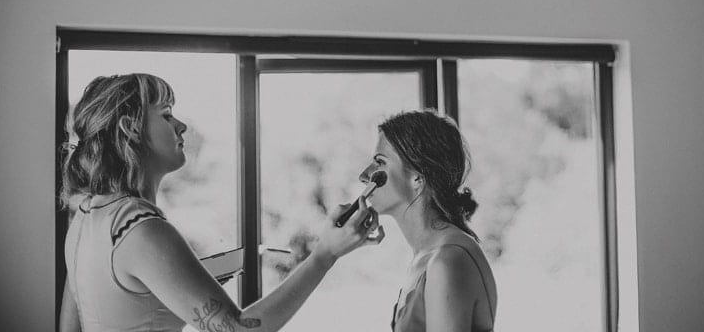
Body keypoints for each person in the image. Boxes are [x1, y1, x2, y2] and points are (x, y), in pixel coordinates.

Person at [59, 73, 383, 332]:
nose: (181, 125)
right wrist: (325, 254)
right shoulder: (142, 229)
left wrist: (209, 274)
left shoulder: (87, 215)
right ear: (130, 129)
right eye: (167, 115)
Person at [358, 110, 497, 332]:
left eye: (380, 162)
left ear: (417, 177)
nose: (364, 175)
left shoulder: (446, 261)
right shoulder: (428, 255)